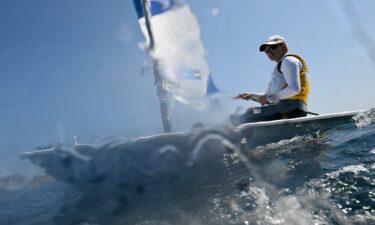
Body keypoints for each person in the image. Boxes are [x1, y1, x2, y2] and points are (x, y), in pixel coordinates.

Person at [232, 35, 310, 124]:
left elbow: (294, 89)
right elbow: (270, 95)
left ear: (284, 47)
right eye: (266, 51)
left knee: (246, 115)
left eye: (273, 47)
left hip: (289, 108)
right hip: (293, 108)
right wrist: (252, 95)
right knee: (248, 113)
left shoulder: (288, 61)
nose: (269, 52)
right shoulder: (283, 65)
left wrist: (269, 99)